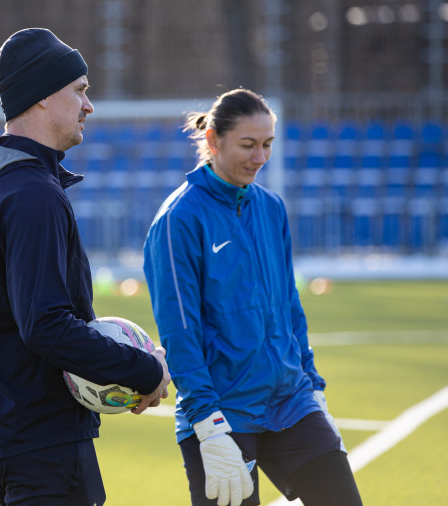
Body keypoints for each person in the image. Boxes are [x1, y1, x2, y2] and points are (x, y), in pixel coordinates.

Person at [0, 28, 171, 506]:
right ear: (43, 96)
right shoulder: (31, 193)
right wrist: (144, 370)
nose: (90, 106)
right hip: (38, 434)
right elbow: (46, 326)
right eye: (80, 90)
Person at [143, 89, 363, 506]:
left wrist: (313, 388)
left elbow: (290, 306)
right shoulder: (178, 220)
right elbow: (180, 330)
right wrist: (207, 422)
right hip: (221, 412)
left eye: (267, 144)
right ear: (213, 141)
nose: (260, 157)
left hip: (292, 403)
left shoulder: (272, 208)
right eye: (248, 145)